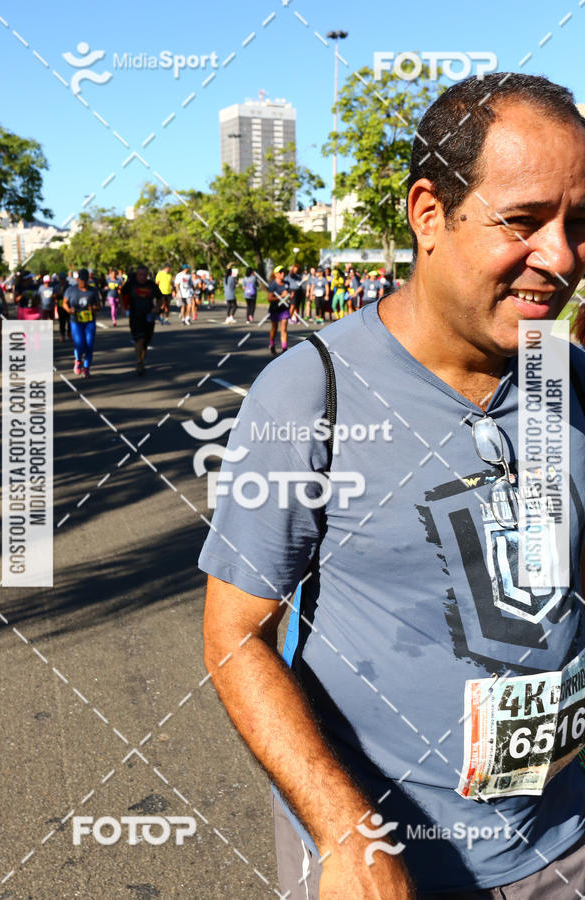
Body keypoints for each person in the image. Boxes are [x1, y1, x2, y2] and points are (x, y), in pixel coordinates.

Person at [200, 73, 585, 899]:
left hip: (566, 843)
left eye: (579, 225)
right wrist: (348, 834)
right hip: (397, 862)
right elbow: (237, 637)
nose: (559, 259)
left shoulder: (570, 378)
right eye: (522, 222)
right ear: (428, 214)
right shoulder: (311, 395)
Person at [121, 264, 162, 374]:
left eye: (145, 275)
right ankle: (139, 362)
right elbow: (122, 294)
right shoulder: (131, 284)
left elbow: (160, 298)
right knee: (139, 339)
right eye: (140, 275)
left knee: (146, 342)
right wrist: (123, 308)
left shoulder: (151, 285)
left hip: (149, 317)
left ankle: (141, 360)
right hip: (135, 316)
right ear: (137, 275)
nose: (142, 277)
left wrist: (157, 308)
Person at [63, 268, 101, 377]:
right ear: (77, 279)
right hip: (76, 321)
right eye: (81, 280)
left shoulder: (93, 291)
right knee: (79, 344)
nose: (83, 283)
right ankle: (78, 360)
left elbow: (99, 306)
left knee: (89, 345)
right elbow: (65, 303)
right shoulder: (71, 290)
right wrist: (69, 310)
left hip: (89, 321)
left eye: (85, 281)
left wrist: (93, 308)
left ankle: (86, 367)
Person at [266, 265, 290, 356]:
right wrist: (281, 297)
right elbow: (269, 299)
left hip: (284, 309)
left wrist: (289, 296)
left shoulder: (286, 283)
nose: (283, 274)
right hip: (274, 309)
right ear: (276, 274)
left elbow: (287, 295)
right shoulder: (272, 285)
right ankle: (272, 344)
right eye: (280, 272)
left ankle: (284, 348)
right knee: (274, 329)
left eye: (284, 272)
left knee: (283, 328)